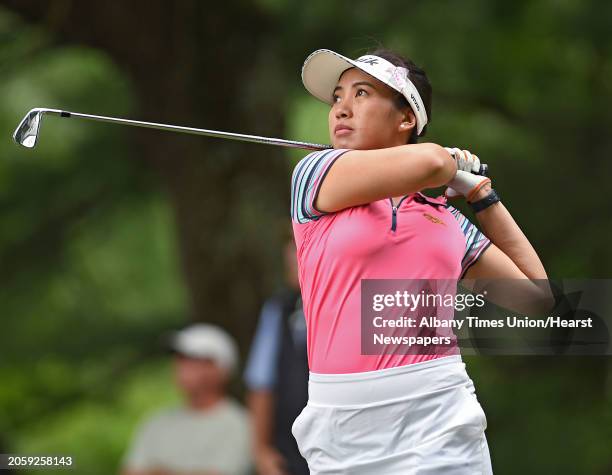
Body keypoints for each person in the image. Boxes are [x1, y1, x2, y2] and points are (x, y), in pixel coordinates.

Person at [290, 47, 549, 474]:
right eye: (337, 97)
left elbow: (536, 298)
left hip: (439, 416)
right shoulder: (315, 175)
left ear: (406, 118)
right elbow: (429, 160)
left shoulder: (445, 221)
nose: (341, 108)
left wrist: (481, 195)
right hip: (342, 427)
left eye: (361, 94)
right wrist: (444, 165)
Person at [122, 324, 252, 475]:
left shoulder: (241, 424)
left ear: (221, 369)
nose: (182, 366)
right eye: (180, 358)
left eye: (194, 359)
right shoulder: (155, 422)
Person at [244, 232, 310, 475]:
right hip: (289, 454)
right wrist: (260, 450)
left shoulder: (355, 299)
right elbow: (261, 383)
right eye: (290, 260)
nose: (296, 264)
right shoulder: (278, 309)